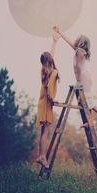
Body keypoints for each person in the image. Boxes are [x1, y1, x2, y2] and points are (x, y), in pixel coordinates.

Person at [53, 26, 97, 129]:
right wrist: (60, 32)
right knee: (85, 100)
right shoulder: (79, 50)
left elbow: (78, 66)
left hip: (83, 79)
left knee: (88, 100)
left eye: (77, 39)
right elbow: (69, 41)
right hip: (84, 78)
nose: (75, 40)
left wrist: (78, 79)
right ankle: (89, 121)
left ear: (81, 42)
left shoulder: (79, 51)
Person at [36, 30, 60, 168]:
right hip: (47, 103)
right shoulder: (53, 72)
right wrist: (53, 100)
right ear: (50, 61)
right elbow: (51, 90)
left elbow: (51, 56)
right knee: (46, 131)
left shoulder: (44, 70)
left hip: (42, 103)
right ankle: (43, 157)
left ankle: (41, 155)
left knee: (43, 131)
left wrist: (54, 42)